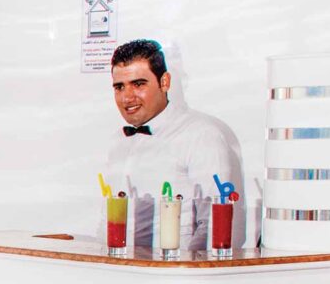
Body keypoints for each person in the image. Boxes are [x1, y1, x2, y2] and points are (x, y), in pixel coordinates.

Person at [102, 37, 244, 198]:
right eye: (119, 87)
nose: (127, 98)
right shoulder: (117, 141)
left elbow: (215, 211)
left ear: (164, 82)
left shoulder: (202, 136)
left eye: (138, 84)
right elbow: (107, 210)